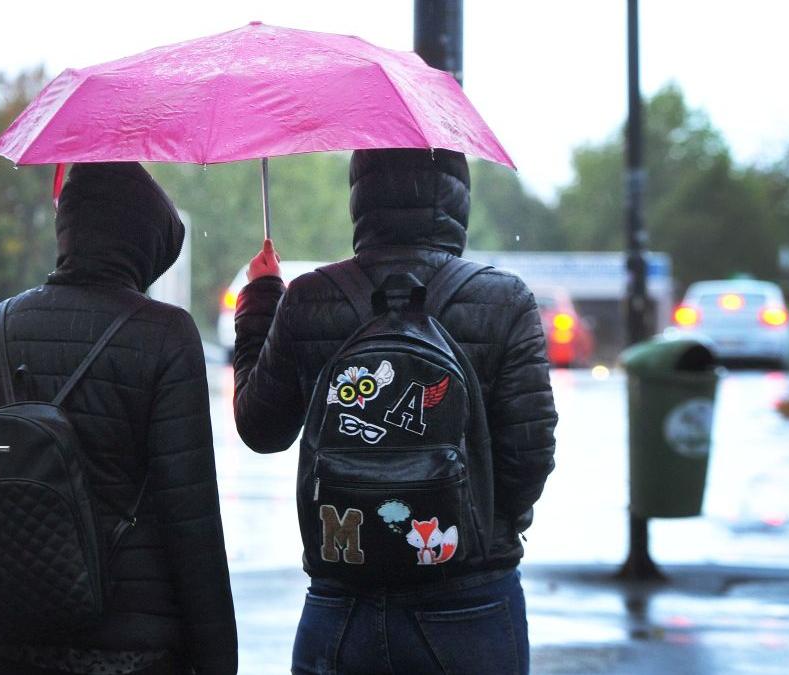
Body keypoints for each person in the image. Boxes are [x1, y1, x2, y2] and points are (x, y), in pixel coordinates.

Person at [233, 148, 557, 674]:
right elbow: (528, 458)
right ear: (456, 192)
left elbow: (261, 429)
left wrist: (262, 300)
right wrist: (486, 528)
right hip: (468, 600)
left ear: (361, 194)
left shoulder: (310, 297)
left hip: (343, 599)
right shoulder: (505, 300)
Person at [0, 162, 238, 675]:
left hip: (11, 646)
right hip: (133, 650)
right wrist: (219, 661)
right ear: (140, 241)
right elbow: (191, 521)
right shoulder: (166, 336)